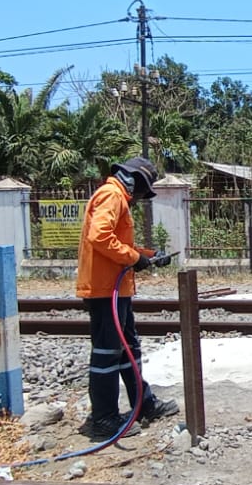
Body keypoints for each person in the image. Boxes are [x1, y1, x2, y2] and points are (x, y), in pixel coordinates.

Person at [75, 155, 178, 439]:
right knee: (108, 354)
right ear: (135, 181)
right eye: (143, 191)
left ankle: (142, 405)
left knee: (128, 349)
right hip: (104, 289)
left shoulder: (116, 196)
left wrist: (147, 256)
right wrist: (134, 258)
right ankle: (103, 419)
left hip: (115, 290)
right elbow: (100, 236)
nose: (140, 198)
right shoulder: (112, 195)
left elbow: (120, 244)